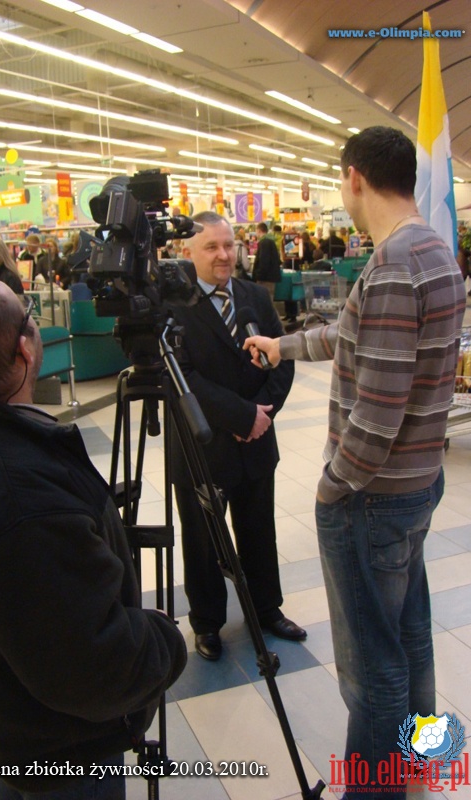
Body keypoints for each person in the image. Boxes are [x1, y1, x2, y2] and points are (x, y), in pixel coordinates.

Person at [0, 269, 187, 800]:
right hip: (62, 752)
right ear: (25, 353)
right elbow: (93, 667)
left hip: (2, 713)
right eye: (29, 317)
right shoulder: (21, 502)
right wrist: (163, 640)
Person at [244, 126, 466, 799]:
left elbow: (379, 411)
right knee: (409, 638)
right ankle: (419, 760)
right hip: (417, 484)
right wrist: (285, 347)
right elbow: (357, 334)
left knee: (372, 671)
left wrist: (333, 487)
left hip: (373, 498)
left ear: (354, 179)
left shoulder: (396, 262)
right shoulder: (432, 250)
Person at [170, 211, 306, 662]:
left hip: (256, 440)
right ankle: (207, 623)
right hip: (202, 444)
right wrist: (242, 416)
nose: (224, 255)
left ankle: (266, 609)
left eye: (229, 245)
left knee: (258, 530)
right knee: (203, 538)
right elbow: (181, 378)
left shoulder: (253, 297)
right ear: (187, 252)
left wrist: (264, 415)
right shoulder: (174, 305)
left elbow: (282, 357)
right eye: (211, 247)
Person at [252, 221, 281, 295]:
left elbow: (264, 261)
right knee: (269, 301)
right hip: (271, 277)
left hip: (265, 279)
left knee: (264, 302)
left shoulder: (264, 243)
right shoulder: (272, 241)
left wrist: (258, 275)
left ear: (259, 231)